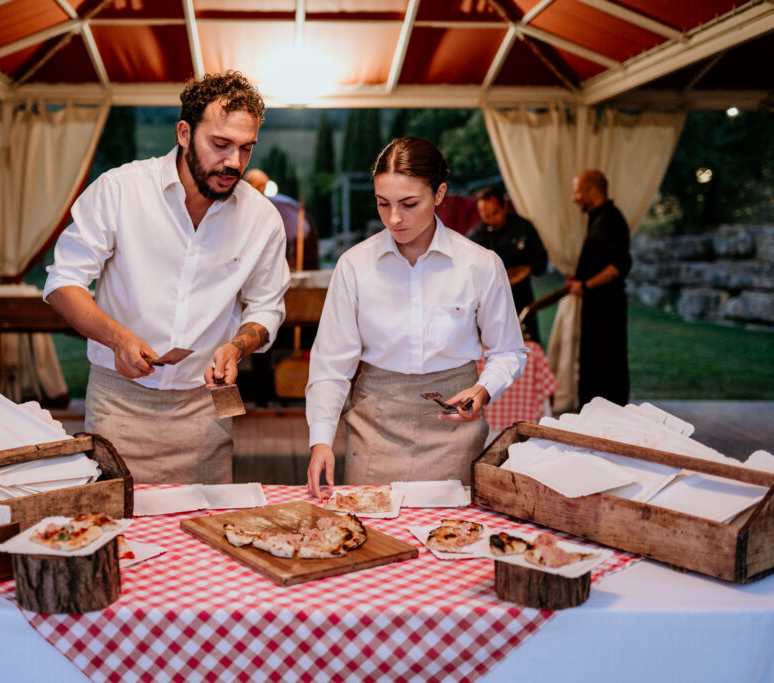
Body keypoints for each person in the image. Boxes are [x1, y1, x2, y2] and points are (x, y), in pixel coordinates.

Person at [43, 72, 290, 485]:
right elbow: (62, 284)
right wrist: (117, 339)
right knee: (115, 518)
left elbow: (267, 308)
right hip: (118, 404)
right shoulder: (120, 190)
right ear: (184, 133)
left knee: (209, 522)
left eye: (246, 148)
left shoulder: (262, 218)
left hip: (205, 409)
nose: (234, 162)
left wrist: (236, 347)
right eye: (220, 144)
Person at [305, 137, 527, 498]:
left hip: (454, 427)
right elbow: (331, 364)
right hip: (375, 426)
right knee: (370, 526)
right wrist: (321, 440)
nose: (394, 218)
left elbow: (508, 351)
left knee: (452, 528)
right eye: (383, 203)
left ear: (439, 194)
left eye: (409, 204)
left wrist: (483, 390)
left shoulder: (480, 264)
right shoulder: (354, 266)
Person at [567, 169, 632, 407]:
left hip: (607, 308)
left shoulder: (610, 220)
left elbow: (618, 266)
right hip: (597, 305)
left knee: (606, 363)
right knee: (594, 363)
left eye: (577, 192)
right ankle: (594, 411)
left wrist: (585, 284)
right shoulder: (598, 218)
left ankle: (607, 413)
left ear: (593, 191)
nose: (574, 198)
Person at [466, 187, 548, 341]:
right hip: (491, 305)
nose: (491, 220)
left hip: (522, 298)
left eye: (495, 213)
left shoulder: (523, 226)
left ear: (504, 206)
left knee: (530, 342)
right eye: (486, 216)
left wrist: (527, 269)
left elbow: (541, 260)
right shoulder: (474, 238)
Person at [243, 169, 318, 270]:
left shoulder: (268, 209)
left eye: (264, 186)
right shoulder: (242, 208)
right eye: (260, 186)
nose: (263, 190)